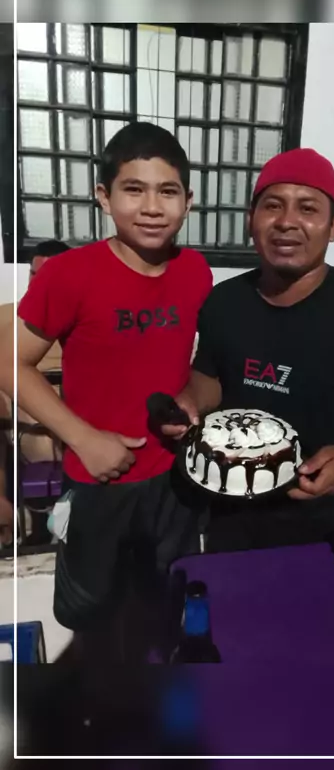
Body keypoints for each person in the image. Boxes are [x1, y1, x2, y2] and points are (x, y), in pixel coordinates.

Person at [0, 122, 212, 630]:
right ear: (104, 196)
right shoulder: (69, 274)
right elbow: (9, 361)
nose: (152, 207)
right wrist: (84, 439)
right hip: (99, 478)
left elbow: (190, 362)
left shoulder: (195, 271)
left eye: (168, 192)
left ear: (188, 201)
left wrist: (189, 400)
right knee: (92, 614)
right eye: (133, 189)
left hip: (175, 477)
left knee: (167, 602)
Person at [163, 148, 334, 552]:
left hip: (322, 520)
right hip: (228, 510)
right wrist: (190, 403)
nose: (287, 221)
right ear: (251, 219)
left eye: (308, 208)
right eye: (273, 206)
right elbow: (210, 377)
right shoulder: (224, 301)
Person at [0, 240, 70, 545]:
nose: (38, 284)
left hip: (76, 431)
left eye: (49, 276)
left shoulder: (90, 320)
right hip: (18, 430)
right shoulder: (5, 318)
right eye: (33, 275)